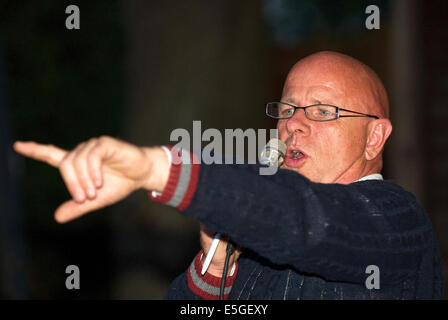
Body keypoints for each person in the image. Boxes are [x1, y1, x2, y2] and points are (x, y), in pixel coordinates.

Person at [13, 51, 444, 299]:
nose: (294, 123)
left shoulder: (397, 221)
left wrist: (156, 168)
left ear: (374, 138)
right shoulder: (250, 248)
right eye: (287, 109)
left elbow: (309, 223)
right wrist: (214, 273)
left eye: (323, 112)